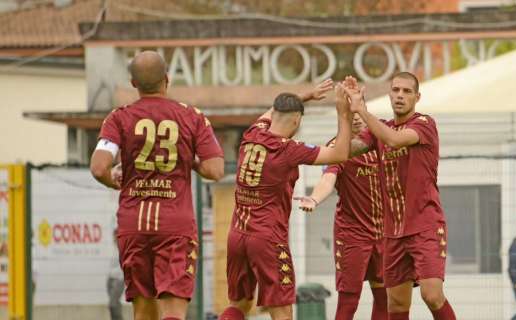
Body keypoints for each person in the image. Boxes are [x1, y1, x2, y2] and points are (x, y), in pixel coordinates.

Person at [90, 50, 224, 320]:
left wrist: (114, 181)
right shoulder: (192, 117)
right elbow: (215, 170)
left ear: (133, 83)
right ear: (167, 79)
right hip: (175, 225)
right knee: (173, 310)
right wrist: (190, 161)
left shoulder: (118, 118)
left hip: (133, 225)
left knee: (143, 310)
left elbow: (98, 167)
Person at [219, 80, 353, 320]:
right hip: (267, 239)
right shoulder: (289, 149)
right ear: (296, 121)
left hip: (237, 234)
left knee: (239, 303)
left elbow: (274, 110)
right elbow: (340, 154)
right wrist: (343, 113)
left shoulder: (252, 133)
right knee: (281, 309)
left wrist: (307, 95)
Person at [346, 72, 456, 320]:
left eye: (407, 91)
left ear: (417, 97)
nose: (400, 95)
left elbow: (395, 140)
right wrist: (345, 112)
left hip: (425, 226)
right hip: (393, 232)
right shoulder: (380, 129)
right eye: (396, 90)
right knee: (395, 303)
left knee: (431, 294)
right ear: (389, 94)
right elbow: (346, 150)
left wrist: (362, 110)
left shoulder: (424, 123)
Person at [296, 111, 387, 320]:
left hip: (384, 233)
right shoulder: (338, 147)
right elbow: (328, 180)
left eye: (358, 112)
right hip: (352, 234)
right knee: (349, 301)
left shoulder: (383, 139)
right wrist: (314, 199)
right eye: (349, 113)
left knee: (384, 298)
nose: (355, 117)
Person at [108, 228, 125, 320]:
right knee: (114, 304)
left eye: (116, 236)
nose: (114, 238)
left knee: (113, 304)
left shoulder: (123, 248)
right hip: (111, 278)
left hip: (119, 279)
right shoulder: (113, 248)